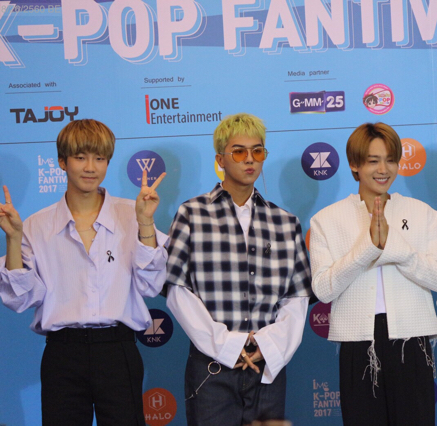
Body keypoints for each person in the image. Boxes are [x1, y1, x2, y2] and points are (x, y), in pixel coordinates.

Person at [0, 119, 168, 425]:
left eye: (99, 158)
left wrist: (145, 223)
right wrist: (13, 239)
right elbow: (22, 299)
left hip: (118, 350)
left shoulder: (133, 213)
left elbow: (151, 286)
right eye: (80, 157)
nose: (90, 167)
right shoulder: (37, 225)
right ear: (62, 162)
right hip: (62, 355)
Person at [165, 113, 312, 426]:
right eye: (239, 151)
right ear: (220, 159)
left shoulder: (285, 223)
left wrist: (268, 346)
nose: (249, 159)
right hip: (211, 369)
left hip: (268, 368)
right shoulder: (192, 214)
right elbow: (177, 290)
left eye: (257, 151)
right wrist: (226, 345)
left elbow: (297, 297)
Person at [309, 122, 437, 426]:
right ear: (354, 165)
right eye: (373, 161)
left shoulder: (423, 213)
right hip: (357, 344)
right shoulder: (326, 220)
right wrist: (368, 248)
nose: (383, 170)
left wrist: (394, 247)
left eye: (390, 160)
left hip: (411, 340)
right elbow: (322, 289)